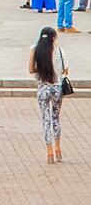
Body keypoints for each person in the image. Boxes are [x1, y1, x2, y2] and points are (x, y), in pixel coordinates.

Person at [30, 25, 68, 164]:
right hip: (57, 88)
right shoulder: (60, 51)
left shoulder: (35, 50)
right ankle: (58, 149)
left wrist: (42, 67)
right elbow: (66, 70)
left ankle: (49, 152)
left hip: (43, 88)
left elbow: (30, 69)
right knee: (56, 118)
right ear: (54, 38)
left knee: (45, 119)